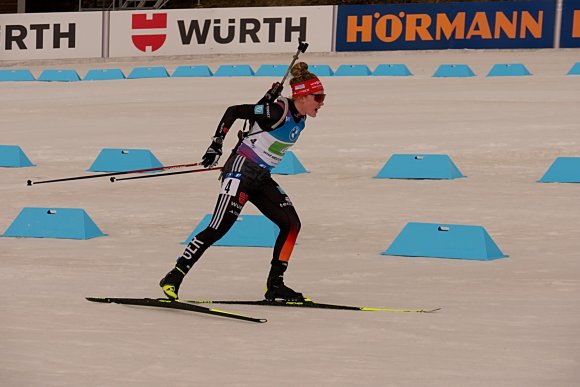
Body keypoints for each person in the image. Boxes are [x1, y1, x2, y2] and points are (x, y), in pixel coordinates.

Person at [159, 62, 326, 302]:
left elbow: (257, 125)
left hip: (261, 177)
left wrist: (263, 102)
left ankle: (275, 285)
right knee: (218, 227)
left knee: (291, 224)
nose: (322, 103)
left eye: (323, 97)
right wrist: (216, 143)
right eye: (318, 97)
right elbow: (234, 111)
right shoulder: (277, 111)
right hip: (240, 172)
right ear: (301, 96)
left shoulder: (299, 117)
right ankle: (174, 276)